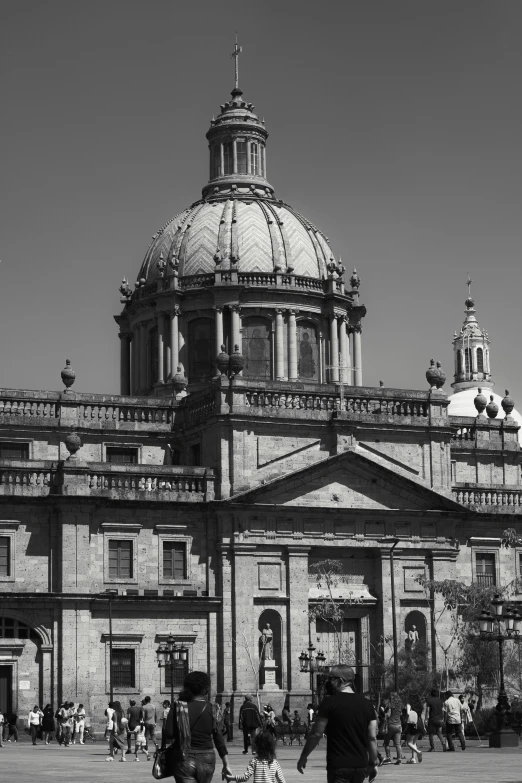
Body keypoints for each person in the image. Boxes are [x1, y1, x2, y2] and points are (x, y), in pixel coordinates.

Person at [297, 664, 378, 783]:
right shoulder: (368, 705)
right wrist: (373, 762)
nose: (328, 683)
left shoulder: (329, 703)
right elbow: (372, 737)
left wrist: (303, 756)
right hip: (360, 766)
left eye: (331, 679)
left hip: (338, 765)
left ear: (340, 680)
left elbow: (316, 734)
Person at [164, 669, 233, 783]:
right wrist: (226, 764)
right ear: (206, 689)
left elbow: (169, 734)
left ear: (186, 688)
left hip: (184, 758)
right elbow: (219, 739)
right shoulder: (214, 708)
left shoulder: (177, 707)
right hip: (207, 759)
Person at [381, 691, 402, 765]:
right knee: (398, 744)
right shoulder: (399, 705)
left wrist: (384, 711)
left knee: (386, 743)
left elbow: (388, 715)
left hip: (391, 725)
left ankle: (388, 758)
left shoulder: (390, 705)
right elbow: (401, 714)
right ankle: (399, 759)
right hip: (399, 725)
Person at [404, 693, 424, 764]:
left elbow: (408, 713)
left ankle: (418, 752)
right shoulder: (419, 706)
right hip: (420, 723)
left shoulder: (409, 704)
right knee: (414, 742)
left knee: (409, 742)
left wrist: (406, 719)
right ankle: (413, 758)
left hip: (413, 723)